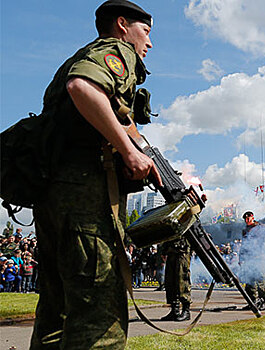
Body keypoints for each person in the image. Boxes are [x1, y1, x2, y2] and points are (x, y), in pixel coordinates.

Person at [29, 1, 161, 348]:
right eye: (145, 32)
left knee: (56, 312)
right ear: (122, 25)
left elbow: (116, 114)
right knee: (99, 313)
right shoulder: (116, 50)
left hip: (53, 192)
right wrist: (130, 152)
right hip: (84, 196)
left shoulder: (78, 55)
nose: (149, 43)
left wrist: (143, 152)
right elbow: (83, 87)